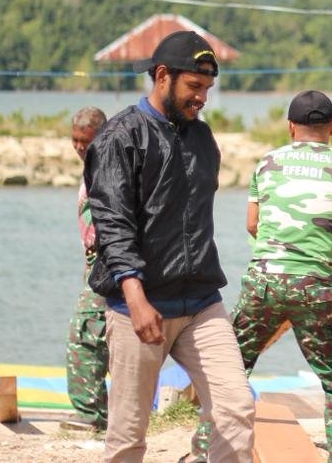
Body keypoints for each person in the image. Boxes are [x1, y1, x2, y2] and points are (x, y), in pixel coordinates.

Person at [85, 30, 255, 463]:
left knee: (237, 407)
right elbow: (113, 224)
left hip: (201, 303)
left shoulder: (202, 138)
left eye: (208, 88)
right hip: (139, 307)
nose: (202, 98)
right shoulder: (120, 136)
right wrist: (135, 296)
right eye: (194, 86)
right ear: (162, 76)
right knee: (128, 435)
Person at [231, 90, 332, 463]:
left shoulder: (267, 162)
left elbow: (252, 224)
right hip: (317, 285)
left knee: (230, 371)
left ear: (290, 127)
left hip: (264, 279)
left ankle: (208, 454)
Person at [66, 106, 109, 431]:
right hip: (99, 264)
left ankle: (91, 416)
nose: (80, 147)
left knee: (86, 337)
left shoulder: (107, 168)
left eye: (86, 141)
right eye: (75, 140)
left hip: (107, 264)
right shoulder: (97, 166)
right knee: (107, 336)